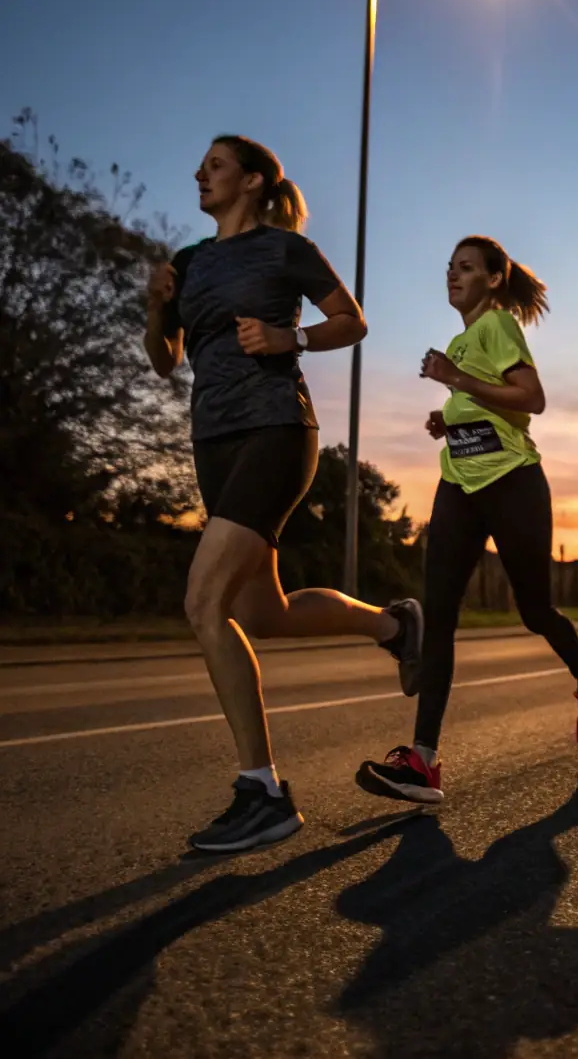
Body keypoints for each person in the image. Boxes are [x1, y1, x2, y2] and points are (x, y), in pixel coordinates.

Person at [144, 134, 422, 853]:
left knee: (203, 600)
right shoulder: (190, 263)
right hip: (214, 443)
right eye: (200, 164)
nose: (198, 174)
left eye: (213, 164)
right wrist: (155, 310)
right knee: (260, 613)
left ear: (254, 179)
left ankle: (262, 790)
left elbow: (352, 320)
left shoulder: (285, 248)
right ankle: (395, 628)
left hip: (275, 430)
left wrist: (286, 338)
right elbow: (165, 359)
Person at [356, 236, 578, 805]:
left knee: (534, 608)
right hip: (460, 485)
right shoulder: (463, 338)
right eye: (449, 267)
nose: (453, 275)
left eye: (467, 268)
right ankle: (422, 761)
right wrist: (448, 421)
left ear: (494, 280)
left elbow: (530, 399)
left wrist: (457, 380)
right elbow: (487, 407)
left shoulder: (497, 325)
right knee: (440, 614)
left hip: (513, 484)